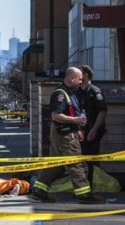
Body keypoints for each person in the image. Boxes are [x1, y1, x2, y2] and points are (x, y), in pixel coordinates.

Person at [31, 67, 104, 204]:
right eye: (79, 79)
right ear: (71, 78)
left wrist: (77, 129)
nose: (81, 81)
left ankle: (39, 190)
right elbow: (56, 115)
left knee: (56, 164)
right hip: (64, 135)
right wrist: (75, 121)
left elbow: (71, 112)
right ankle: (85, 195)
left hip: (65, 133)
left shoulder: (71, 93)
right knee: (76, 164)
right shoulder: (61, 94)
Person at [77, 65, 108, 184]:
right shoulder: (77, 92)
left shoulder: (95, 92)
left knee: (90, 159)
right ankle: (82, 185)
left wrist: (94, 130)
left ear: (85, 74)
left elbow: (102, 112)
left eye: (79, 74)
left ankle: (91, 186)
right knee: (80, 159)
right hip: (80, 130)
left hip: (91, 131)